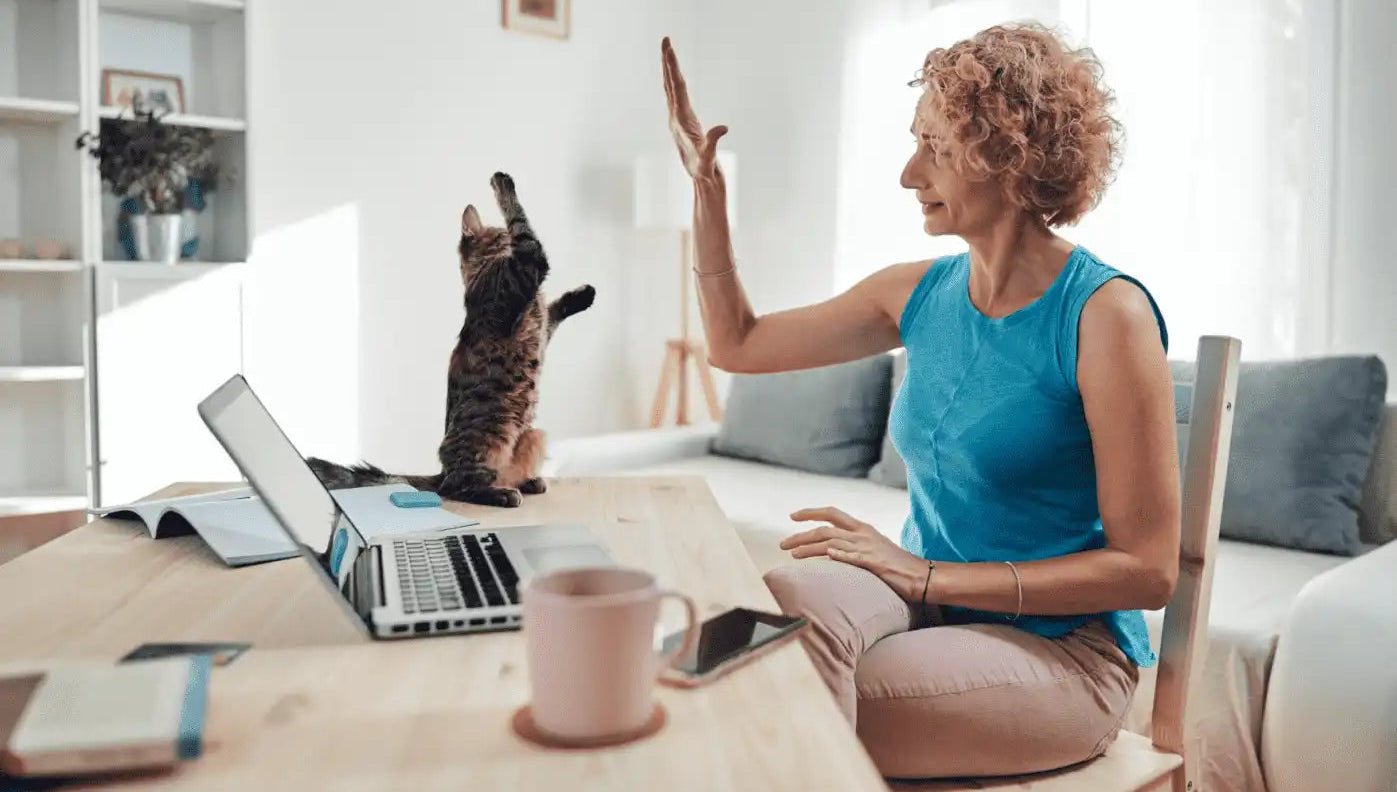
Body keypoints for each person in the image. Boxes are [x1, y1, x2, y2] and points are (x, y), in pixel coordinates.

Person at [659, 22, 1180, 780]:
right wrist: (706, 197)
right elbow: (738, 344)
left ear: (1008, 153)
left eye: (933, 147)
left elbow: (1146, 570)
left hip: (1063, 653)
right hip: (931, 602)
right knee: (782, 604)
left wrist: (925, 577)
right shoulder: (917, 294)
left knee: (777, 682)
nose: (908, 173)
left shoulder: (1106, 316)